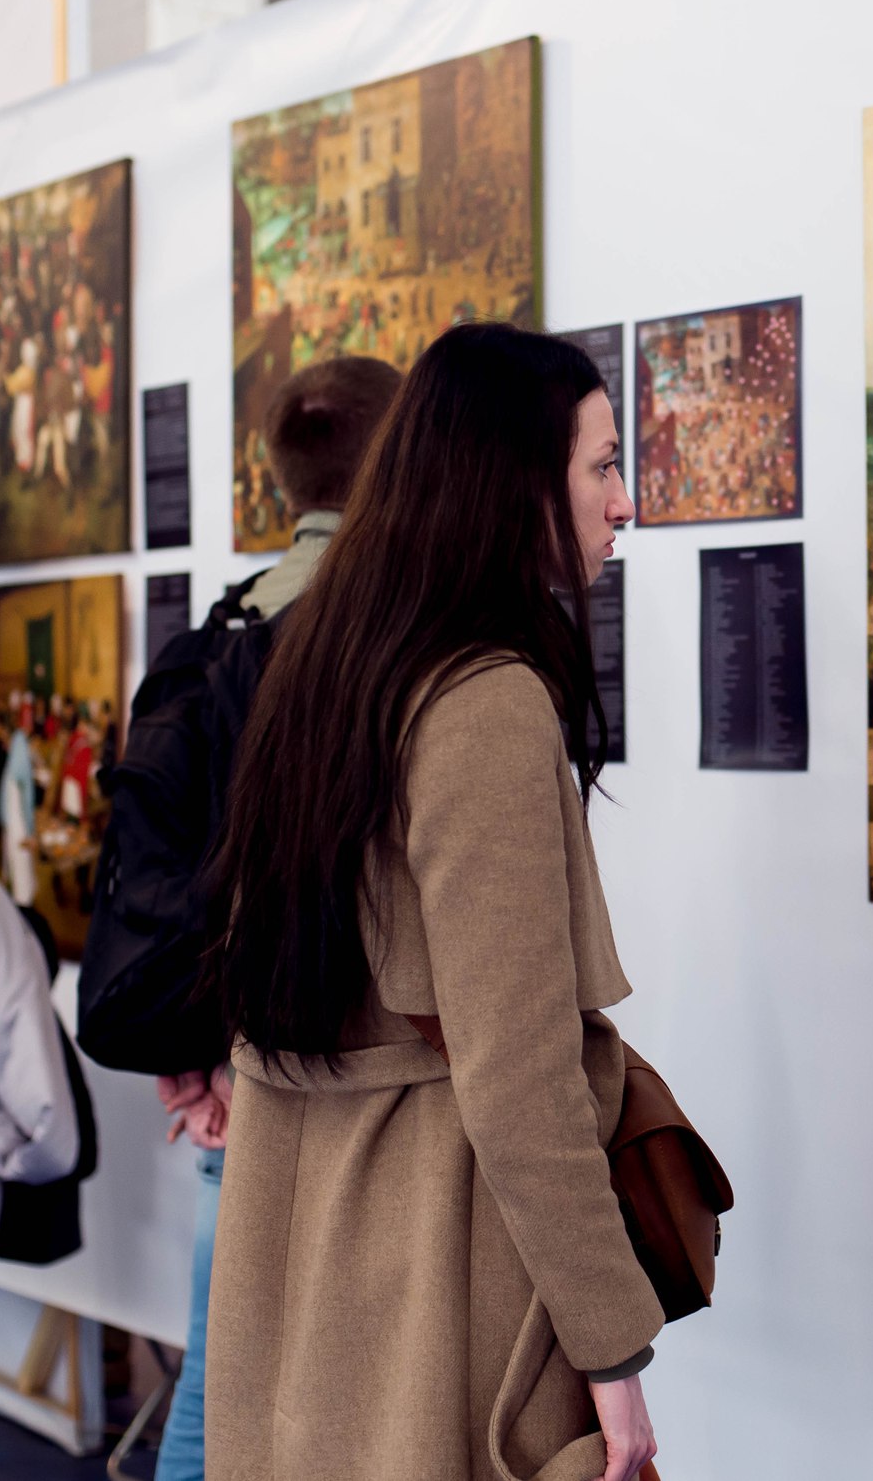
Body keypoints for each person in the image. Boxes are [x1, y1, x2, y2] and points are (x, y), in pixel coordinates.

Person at [206, 325, 665, 1481]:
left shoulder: (330, 660)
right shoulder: (484, 698)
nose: (624, 503)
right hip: (435, 1256)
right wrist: (614, 1348)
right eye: (603, 464)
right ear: (517, 480)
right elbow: (516, 1072)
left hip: (308, 1250)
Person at [139, 353, 402, 1481]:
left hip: (239, 1047)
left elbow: (184, 855)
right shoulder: (384, 631)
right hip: (356, 1063)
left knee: (219, 1373)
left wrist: (196, 1046)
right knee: (374, 1394)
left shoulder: (224, 629)